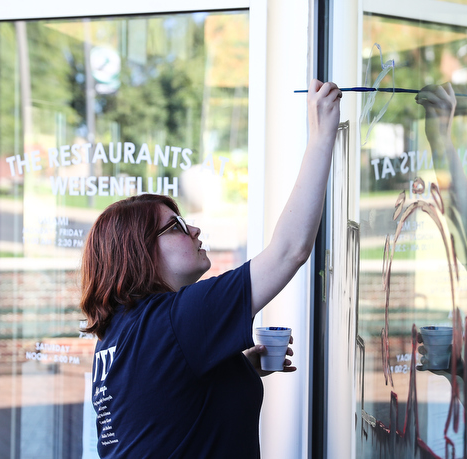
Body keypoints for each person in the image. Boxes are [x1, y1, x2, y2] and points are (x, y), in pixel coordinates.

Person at [80, 79, 342, 458]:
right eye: (177, 226)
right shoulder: (176, 318)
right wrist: (321, 135)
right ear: (141, 251)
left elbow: (164, 409)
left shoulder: (119, 334)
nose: (195, 228)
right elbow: (290, 251)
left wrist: (237, 373)